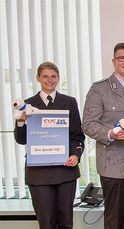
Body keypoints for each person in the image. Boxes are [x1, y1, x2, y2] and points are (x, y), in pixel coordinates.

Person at [83, 42, 124, 229]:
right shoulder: (99, 89)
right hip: (114, 165)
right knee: (114, 219)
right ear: (114, 61)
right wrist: (110, 133)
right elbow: (88, 124)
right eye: (122, 58)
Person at [13, 62, 85, 229]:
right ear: (38, 78)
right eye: (45, 76)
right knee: (46, 223)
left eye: (53, 76)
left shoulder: (70, 102)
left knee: (66, 223)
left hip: (65, 171)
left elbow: (77, 135)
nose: (49, 80)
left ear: (58, 78)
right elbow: (21, 139)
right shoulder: (27, 105)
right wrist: (21, 122)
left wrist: (76, 154)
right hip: (39, 174)